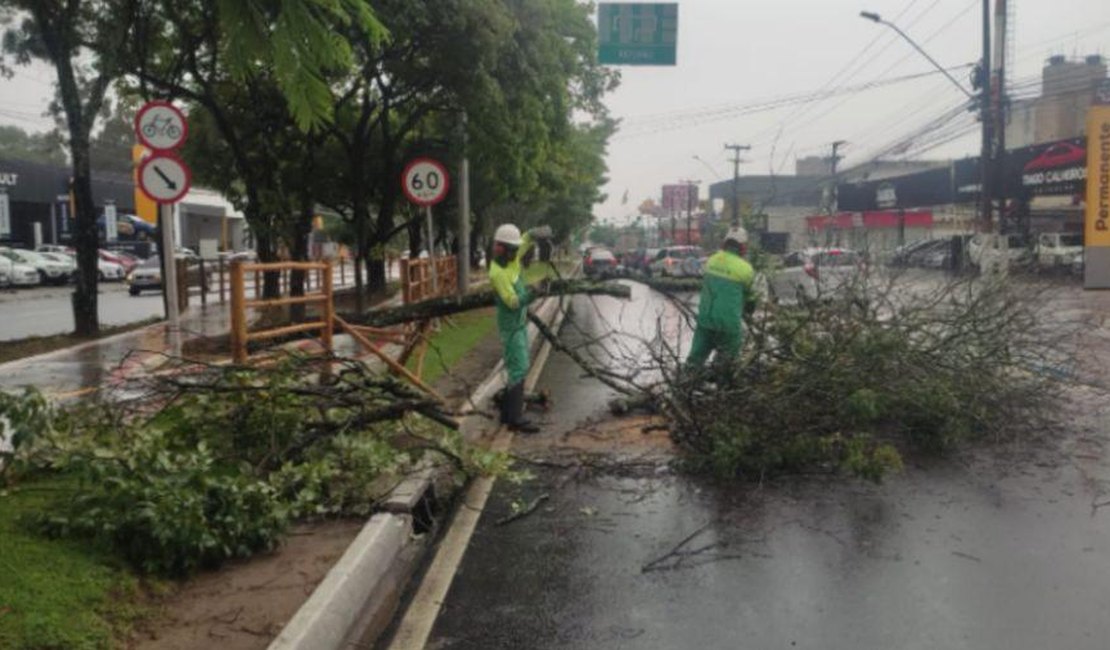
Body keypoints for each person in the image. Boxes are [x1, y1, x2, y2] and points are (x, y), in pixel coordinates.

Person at [490, 222, 551, 432]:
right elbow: (513, 302)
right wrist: (534, 291)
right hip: (511, 327)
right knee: (519, 368)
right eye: (512, 250)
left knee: (518, 367)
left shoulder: (511, 258)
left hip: (518, 324)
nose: (517, 253)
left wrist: (535, 232)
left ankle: (507, 416)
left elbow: (524, 239)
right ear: (504, 249)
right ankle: (515, 420)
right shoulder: (498, 273)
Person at [685, 226, 757, 370]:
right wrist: (748, 313)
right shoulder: (746, 269)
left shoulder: (711, 261)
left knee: (694, 361)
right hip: (729, 325)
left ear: (724, 244)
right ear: (743, 247)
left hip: (705, 320)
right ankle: (722, 387)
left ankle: (686, 386)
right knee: (726, 366)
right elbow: (751, 298)